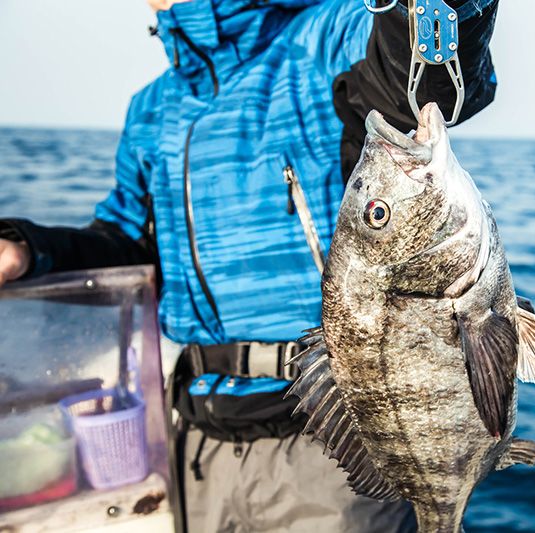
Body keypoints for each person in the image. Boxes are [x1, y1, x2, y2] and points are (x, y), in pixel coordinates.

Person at [0, 0, 499, 530]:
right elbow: (127, 243)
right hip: (195, 444)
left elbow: (423, 82)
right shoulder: (151, 109)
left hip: (332, 445)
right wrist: (27, 250)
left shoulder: (325, 36)